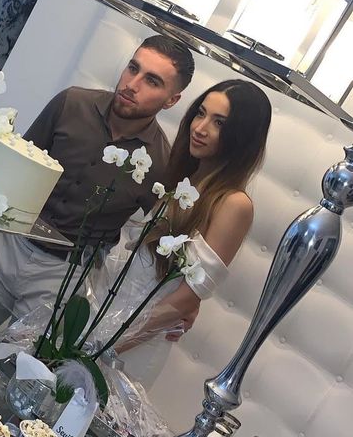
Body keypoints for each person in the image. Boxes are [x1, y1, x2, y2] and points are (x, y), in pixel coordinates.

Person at [0, 35, 195, 335]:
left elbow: (166, 241)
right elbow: (13, 170)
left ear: (171, 100)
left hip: (64, 275)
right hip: (8, 245)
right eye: (133, 68)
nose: (133, 84)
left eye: (152, 81)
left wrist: (188, 302)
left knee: (17, 360)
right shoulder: (71, 103)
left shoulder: (160, 163)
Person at [94, 79, 272, 385]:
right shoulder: (183, 180)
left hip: (132, 344)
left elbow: (185, 299)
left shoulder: (233, 203)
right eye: (200, 113)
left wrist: (107, 346)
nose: (200, 128)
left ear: (242, 136)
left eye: (219, 123)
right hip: (106, 315)